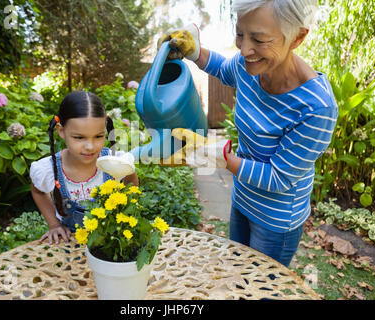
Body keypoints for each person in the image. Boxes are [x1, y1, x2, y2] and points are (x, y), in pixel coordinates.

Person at [160, 0, 338, 267]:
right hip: (242, 200)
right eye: (240, 34)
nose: (244, 50)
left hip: (275, 222)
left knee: (259, 292)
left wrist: (214, 155)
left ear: (297, 37)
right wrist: (195, 51)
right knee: (236, 279)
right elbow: (224, 68)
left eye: (259, 39)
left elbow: (279, 178)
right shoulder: (249, 67)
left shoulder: (316, 107)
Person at [30, 91, 139, 245]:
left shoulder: (114, 163)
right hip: (69, 245)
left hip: (112, 242)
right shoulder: (48, 169)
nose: (90, 146)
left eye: (98, 136)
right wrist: (54, 224)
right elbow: (38, 191)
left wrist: (127, 212)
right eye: (79, 137)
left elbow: (131, 177)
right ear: (61, 131)